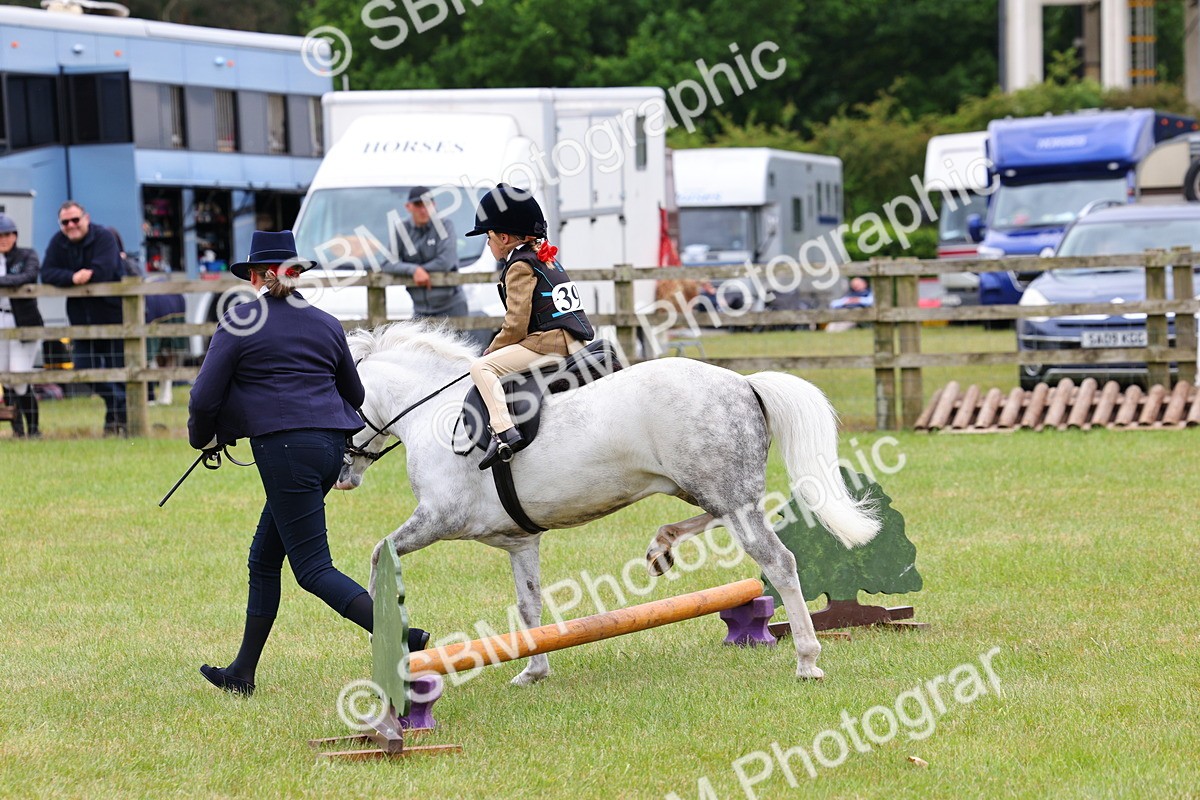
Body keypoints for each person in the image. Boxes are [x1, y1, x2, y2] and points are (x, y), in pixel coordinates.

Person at [188, 230, 429, 696]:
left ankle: (405, 637)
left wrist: (204, 438)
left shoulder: (239, 320)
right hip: (329, 450)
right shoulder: (325, 323)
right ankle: (241, 674)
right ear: (296, 275)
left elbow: (203, 397)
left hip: (285, 452)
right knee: (264, 558)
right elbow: (355, 394)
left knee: (313, 569)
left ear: (255, 276)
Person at [465, 184, 594, 469]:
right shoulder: (542, 256)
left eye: (488, 237)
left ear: (503, 236)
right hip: (574, 339)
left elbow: (515, 326)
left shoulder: (519, 266)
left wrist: (491, 351)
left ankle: (504, 432)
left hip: (550, 342)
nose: (488, 244)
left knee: (481, 368)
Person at [39, 201, 127, 436]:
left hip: (113, 319)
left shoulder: (104, 237)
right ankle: (118, 405)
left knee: (118, 371)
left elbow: (106, 269)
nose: (71, 225)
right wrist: (72, 276)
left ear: (86, 218)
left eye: (75, 220)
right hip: (80, 321)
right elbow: (46, 272)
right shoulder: (59, 242)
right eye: (65, 222)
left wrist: (90, 274)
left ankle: (118, 425)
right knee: (83, 369)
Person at [382, 186, 467, 319]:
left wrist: (421, 270)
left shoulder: (445, 225)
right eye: (418, 204)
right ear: (408, 206)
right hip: (420, 310)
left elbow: (446, 261)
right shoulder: (402, 229)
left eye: (427, 204)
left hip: (452, 306)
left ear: (433, 205)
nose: (423, 210)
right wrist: (413, 270)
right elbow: (387, 263)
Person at [0, 213, 43, 438]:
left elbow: (27, 276)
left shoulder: (27, 255)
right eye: (0, 235)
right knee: (5, 377)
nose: (3, 239)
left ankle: (34, 429)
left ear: (15, 235)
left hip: (23, 321)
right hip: (1, 321)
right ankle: (17, 430)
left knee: (19, 376)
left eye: (7, 234)